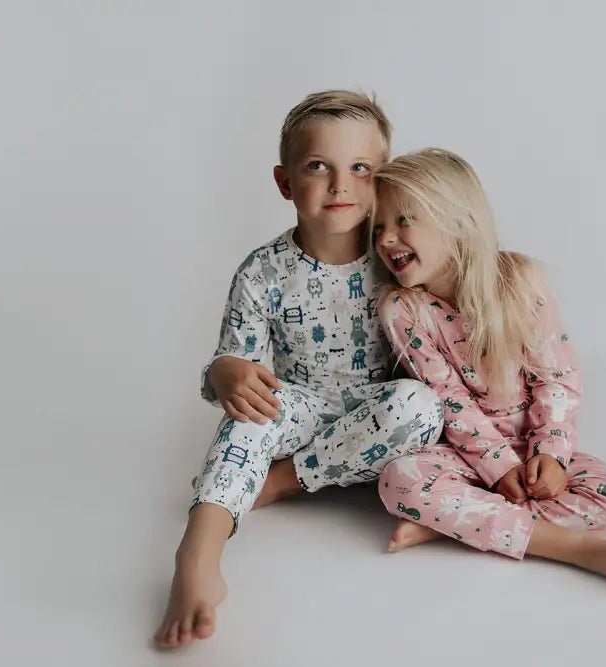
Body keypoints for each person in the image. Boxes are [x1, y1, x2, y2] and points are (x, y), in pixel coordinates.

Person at [154, 92, 444, 648]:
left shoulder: (397, 256)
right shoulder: (263, 272)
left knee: (420, 406)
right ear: (285, 182)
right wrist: (225, 374)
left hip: (380, 409)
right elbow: (233, 359)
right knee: (248, 418)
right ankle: (197, 556)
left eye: (360, 168)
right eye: (318, 166)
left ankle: (279, 482)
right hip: (300, 402)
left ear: (383, 178)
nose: (340, 185)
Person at [372, 148, 606, 590]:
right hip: (465, 455)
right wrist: (497, 468)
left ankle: (458, 523)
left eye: (403, 221)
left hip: (535, 453)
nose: (386, 239)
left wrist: (550, 455)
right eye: (378, 228)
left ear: (456, 220)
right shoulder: (404, 309)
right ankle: (568, 548)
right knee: (398, 482)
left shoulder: (519, 282)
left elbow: (556, 380)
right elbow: (448, 400)